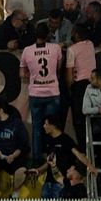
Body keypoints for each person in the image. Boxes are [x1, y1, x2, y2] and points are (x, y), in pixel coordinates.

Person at [20, 22, 64, 158]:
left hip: (36, 93)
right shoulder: (56, 48)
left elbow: (22, 74)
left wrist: (33, 75)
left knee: (37, 128)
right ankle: (53, 156)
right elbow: (58, 68)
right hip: (52, 92)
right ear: (48, 34)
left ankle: (37, 160)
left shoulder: (27, 50)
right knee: (52, 128)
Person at [0, 97, 29, 194]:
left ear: (0, 110)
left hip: (12, 156)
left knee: (22, 170)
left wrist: (13, 155)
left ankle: (15, 195)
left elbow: (22, 144)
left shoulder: (16, 123)